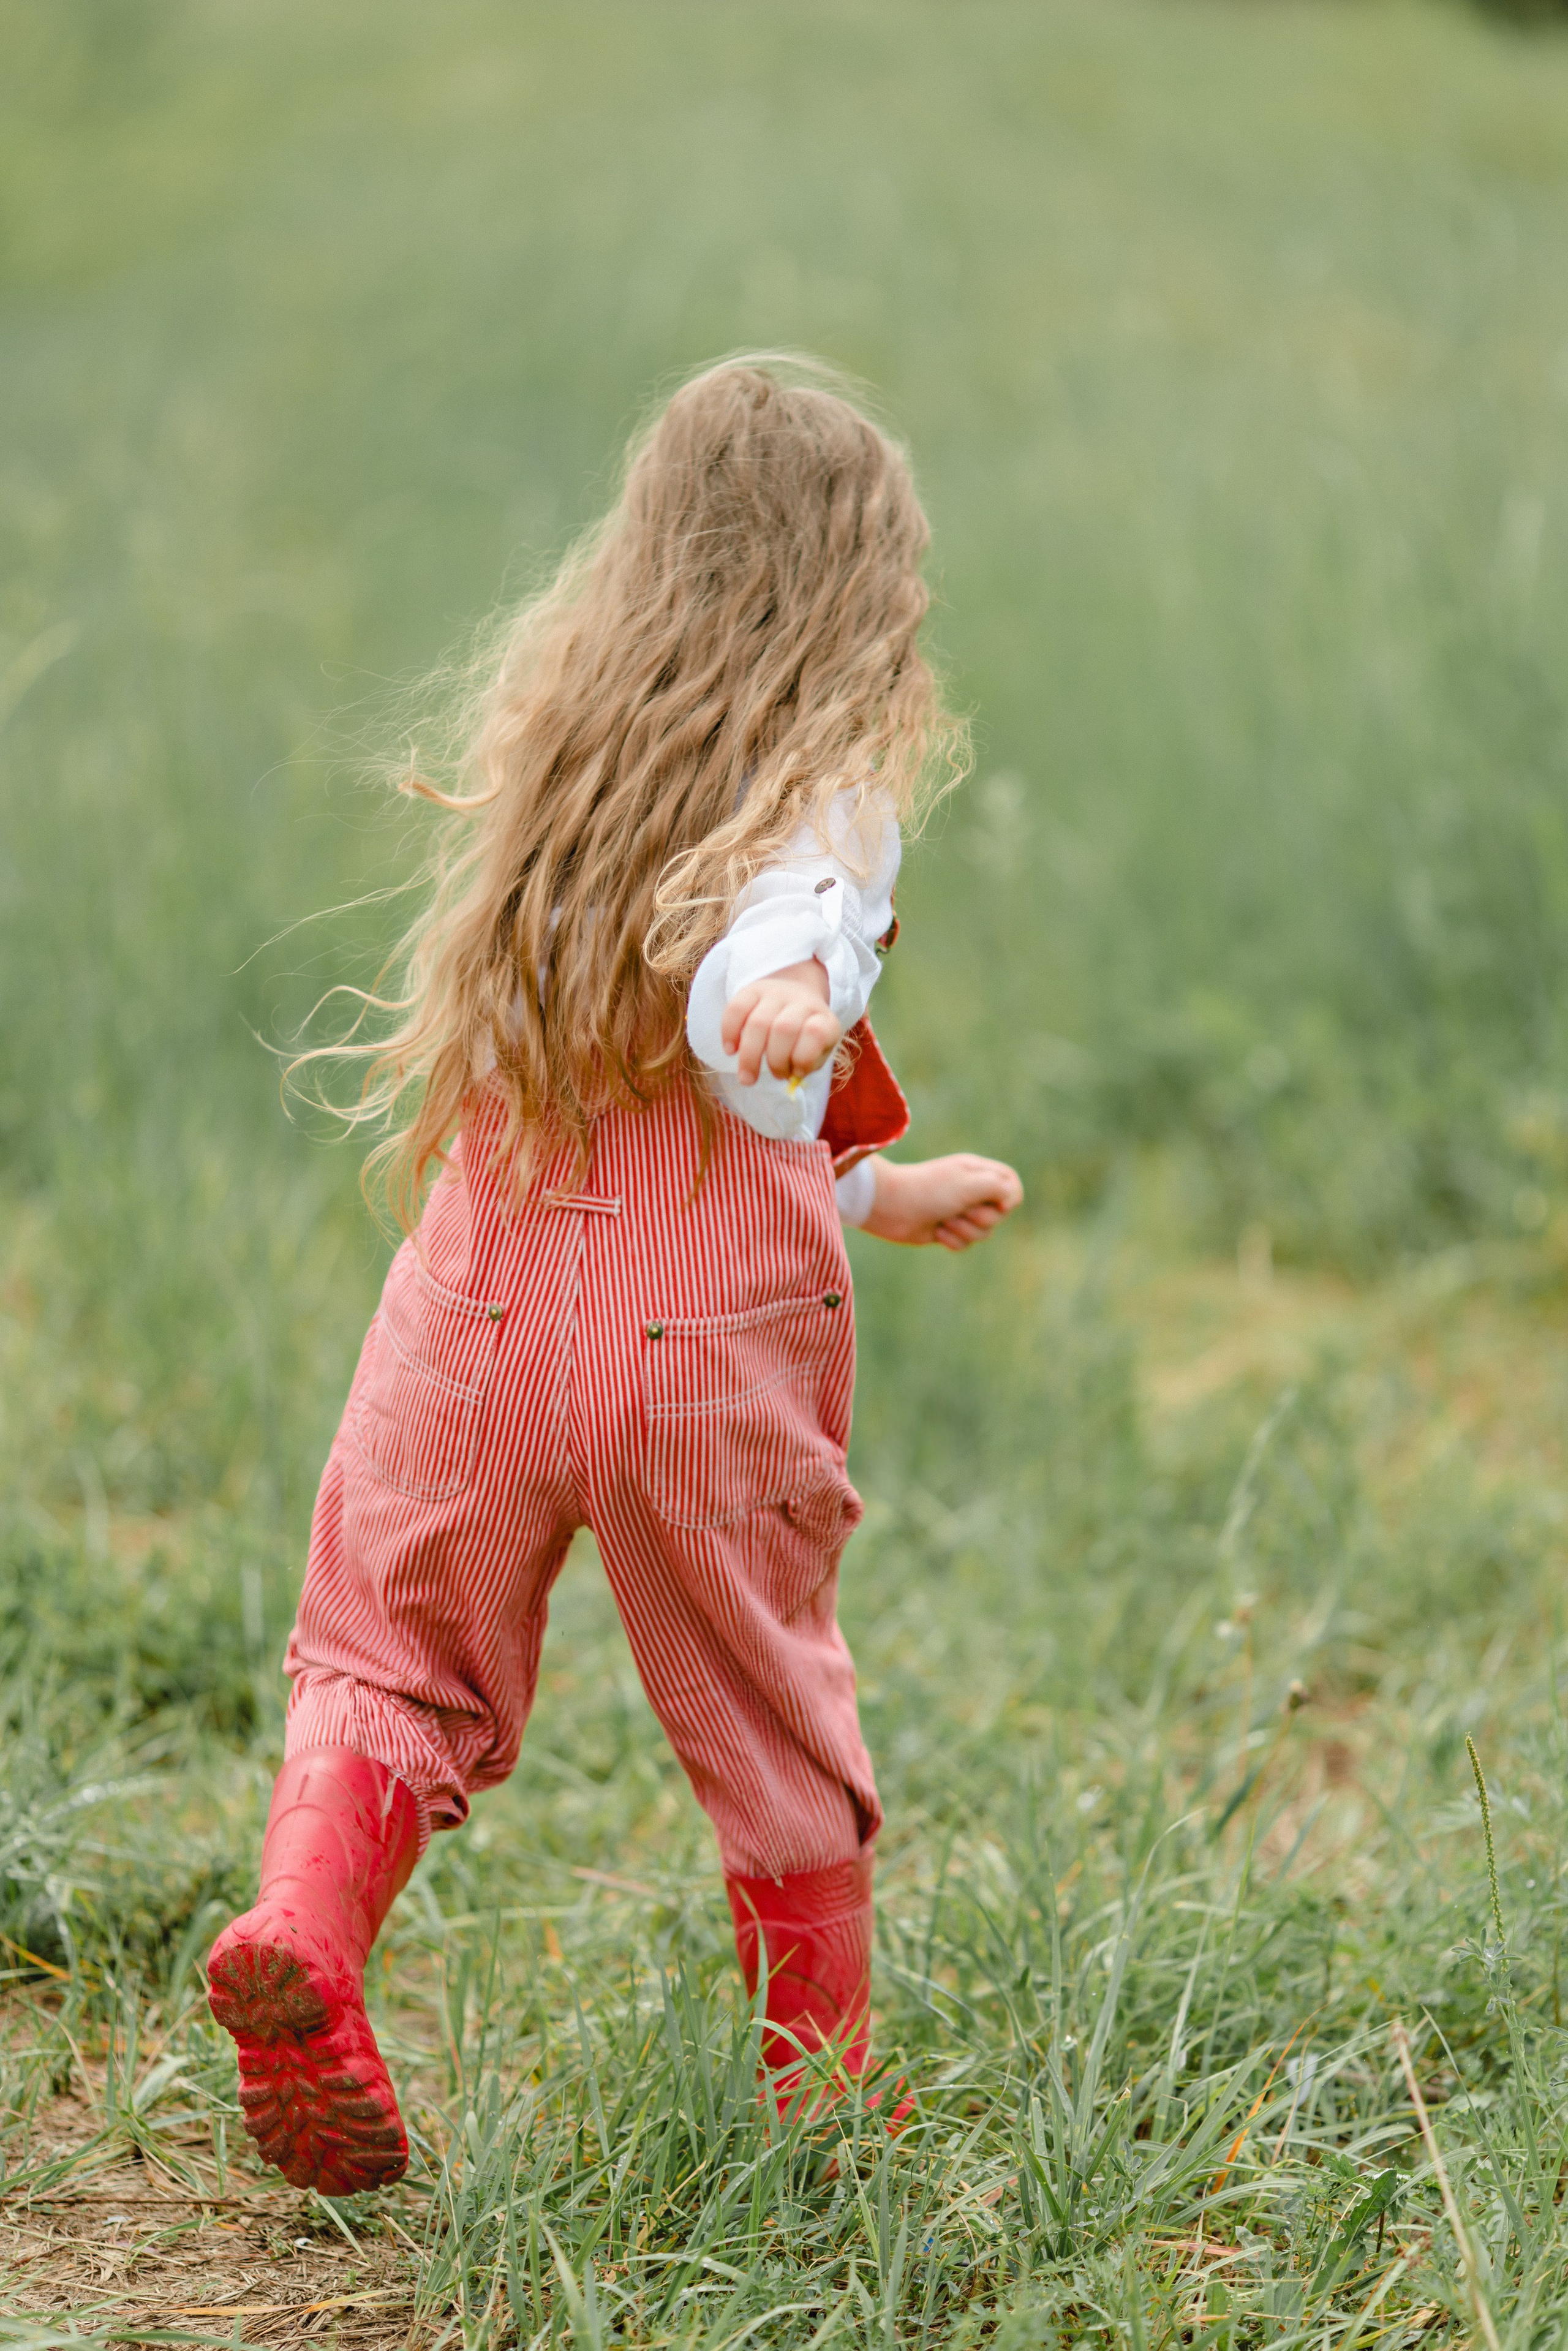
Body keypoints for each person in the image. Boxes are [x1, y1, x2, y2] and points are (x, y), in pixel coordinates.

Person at [206, 357, 1023, 2194]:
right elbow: (758, 983)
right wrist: (786, 1006)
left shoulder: (558, 767)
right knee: (766, 1701)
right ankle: (819, 2109)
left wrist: (885, 1189)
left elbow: (715, 1035)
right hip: (702, 1344)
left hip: (483, 1309)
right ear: (866, 594)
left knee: (389, 1645)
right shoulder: (822, 807)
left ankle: (309, 1939)